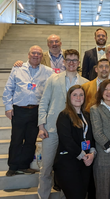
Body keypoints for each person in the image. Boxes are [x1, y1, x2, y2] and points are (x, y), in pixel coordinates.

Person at [37, 49, 89, 199]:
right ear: (64, 62)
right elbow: (44, 102)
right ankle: (43, 196)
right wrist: (41, 126)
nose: (71, 63)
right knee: (46, 168)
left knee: (69, 168)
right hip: (52, 129)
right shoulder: (53, 79)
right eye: (69, 60)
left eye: (74, 60)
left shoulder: (85, 82)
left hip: (73, 132)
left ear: (79, 63)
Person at [2, 45, 54, 177]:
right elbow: (8, 89)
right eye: (33, 53)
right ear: (28, 55)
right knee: (16, 139)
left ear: (42, 57)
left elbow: (57, 80)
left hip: (36, 110)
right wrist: (8, 107)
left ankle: (24, 165)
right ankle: (13, 166)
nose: (36, 55)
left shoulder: (47, 71)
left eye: (39, 54)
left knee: (31, 140)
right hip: (19, 110)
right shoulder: (18, 68)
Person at [53, 85, 96, 199]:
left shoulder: (87, 115)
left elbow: (91, 138)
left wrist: (92, 153)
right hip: (68, 164)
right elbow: (67, 141)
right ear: (69, 97)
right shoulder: (64, 115)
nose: (78, 97)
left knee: (82, 195)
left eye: (81, 95)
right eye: (75, 95)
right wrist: (83, 156)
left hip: (85, 163)